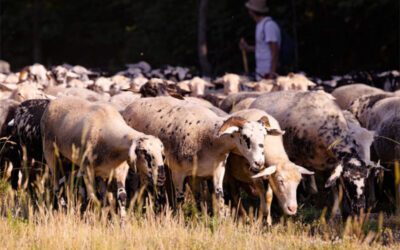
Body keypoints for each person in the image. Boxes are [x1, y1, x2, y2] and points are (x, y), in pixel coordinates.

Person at [240, 0, 281, 80]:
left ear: (252, 11)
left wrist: (272, 73)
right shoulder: (260, 25)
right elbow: (263, 48)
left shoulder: (269, 25)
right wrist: (247, 48)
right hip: (261, 72)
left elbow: (275, 51)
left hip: (268, 74)